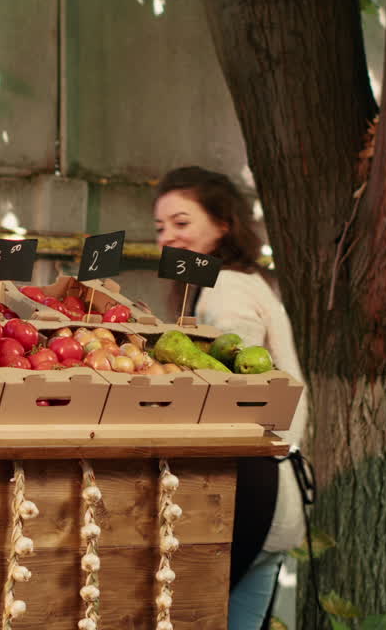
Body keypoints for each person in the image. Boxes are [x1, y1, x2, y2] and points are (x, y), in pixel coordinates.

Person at [154, 166, 307, 630]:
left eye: (182, 224)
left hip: (249, 483)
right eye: (161, 228)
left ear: (223, 224)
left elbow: (234, 392)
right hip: (270, 481)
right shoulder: (236, 283)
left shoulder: (226, 293)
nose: (169, 238)